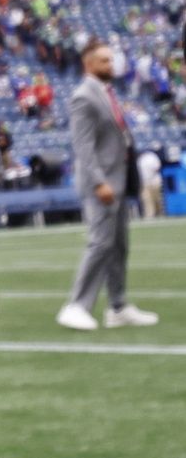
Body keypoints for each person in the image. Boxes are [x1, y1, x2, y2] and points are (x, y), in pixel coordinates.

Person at [58, 39, 158, 330]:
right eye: (104, 61)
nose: (110, 65)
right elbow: (83, 147)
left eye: (111, 60)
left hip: (118, 180)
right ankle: (76, 305)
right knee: (100, 244)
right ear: (88, 64)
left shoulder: (105, 92)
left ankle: (118, 306)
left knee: (118, 247)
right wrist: (99, 182)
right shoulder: (83, 97)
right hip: (101, 184)